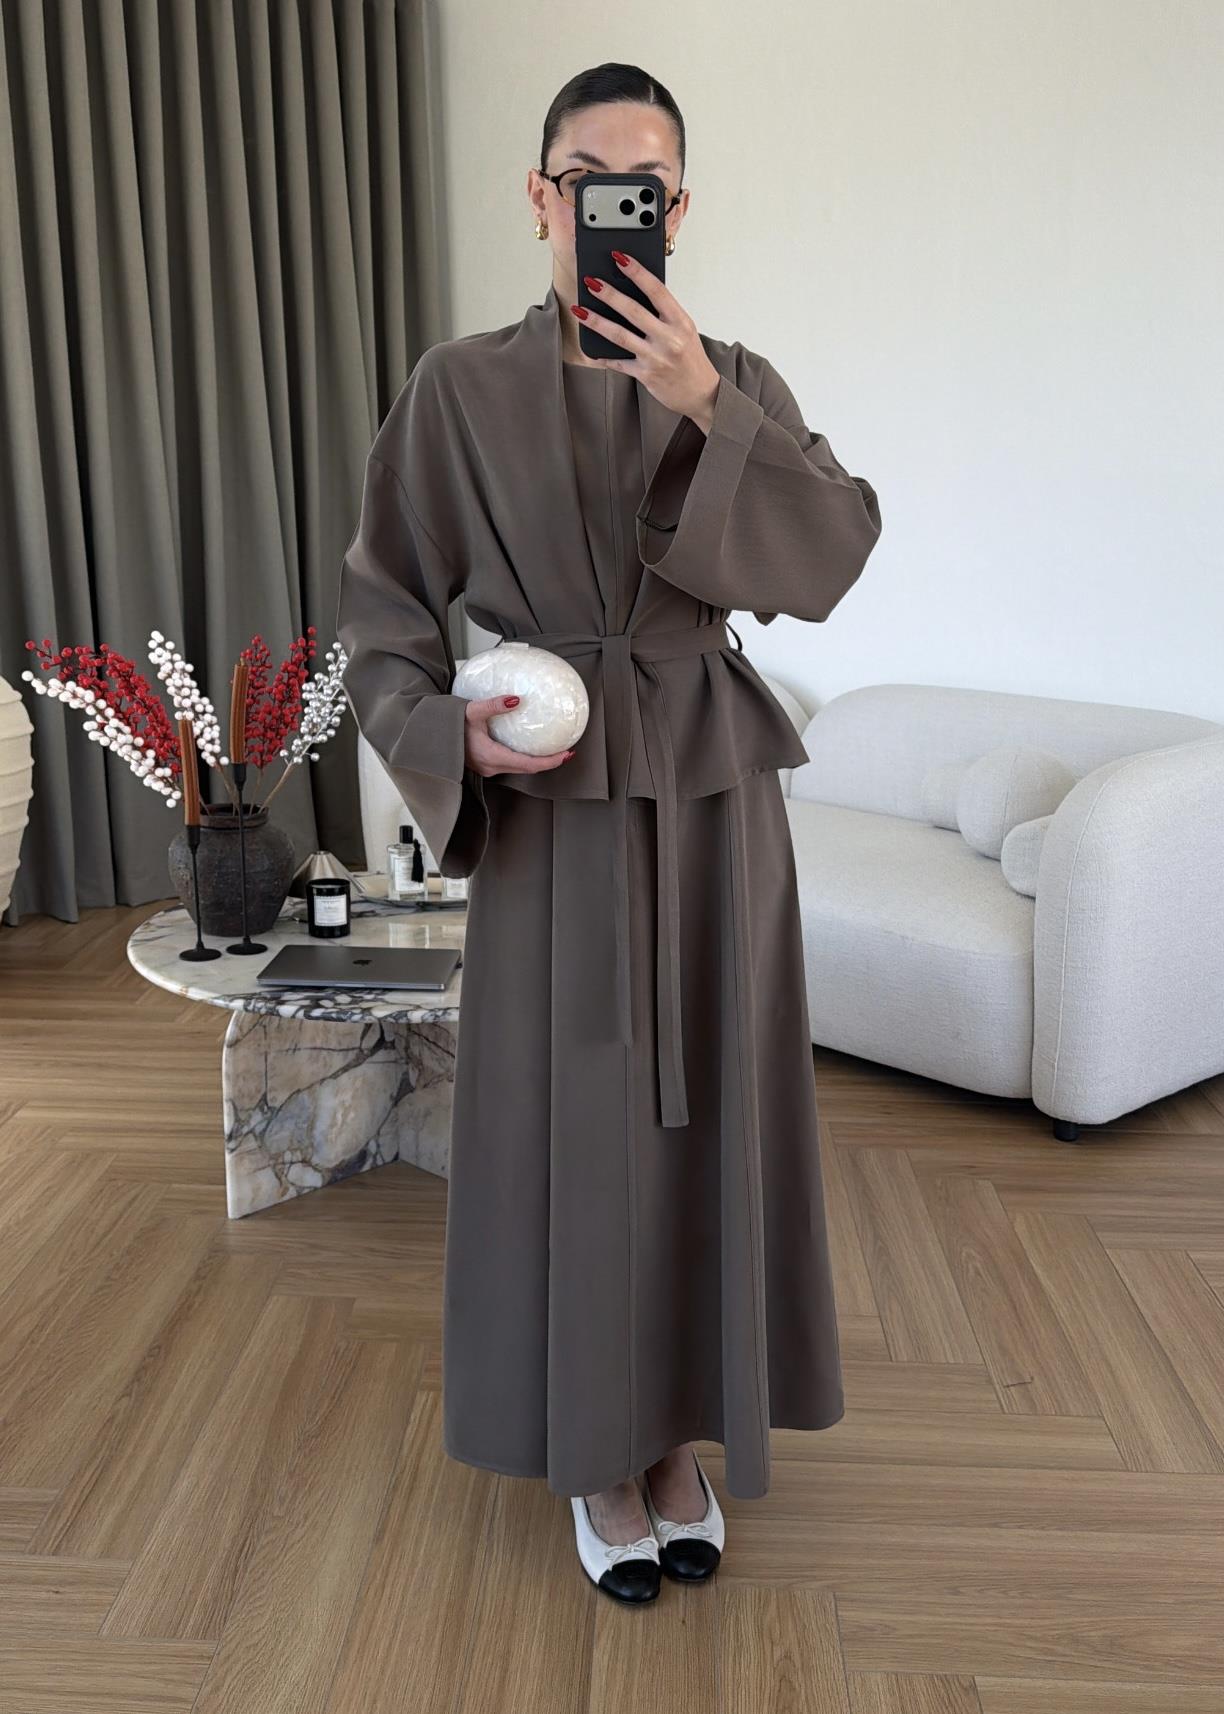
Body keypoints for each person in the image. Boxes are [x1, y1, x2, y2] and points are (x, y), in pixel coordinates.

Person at [335, 62, 882, 1606]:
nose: (612, 209)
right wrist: (450, 735)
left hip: (711, 805)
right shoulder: (458, 389)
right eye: (587, 181)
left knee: (711, 1116)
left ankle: (677, 1434)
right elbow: (382, 617)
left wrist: (708, 406)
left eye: (644, 187)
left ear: (680, 210)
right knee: (573, 1123)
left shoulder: (735, 376)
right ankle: (595, 1446)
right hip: (554, 799)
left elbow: (833, 553)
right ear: (541, 197)